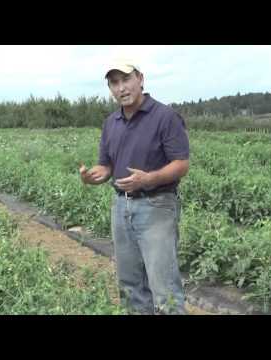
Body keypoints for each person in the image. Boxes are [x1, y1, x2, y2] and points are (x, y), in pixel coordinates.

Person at [79, 59, 190, 314]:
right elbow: (106, 166)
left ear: (140, 78)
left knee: (163, 287)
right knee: (129, 284)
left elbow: (181, 164)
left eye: (126, 80)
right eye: (114, 83)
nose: (121, 88)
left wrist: (148, 179)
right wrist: (94, 176)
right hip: (121, 206)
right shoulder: (111, 122)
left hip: (156, 205)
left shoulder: (164, 116)